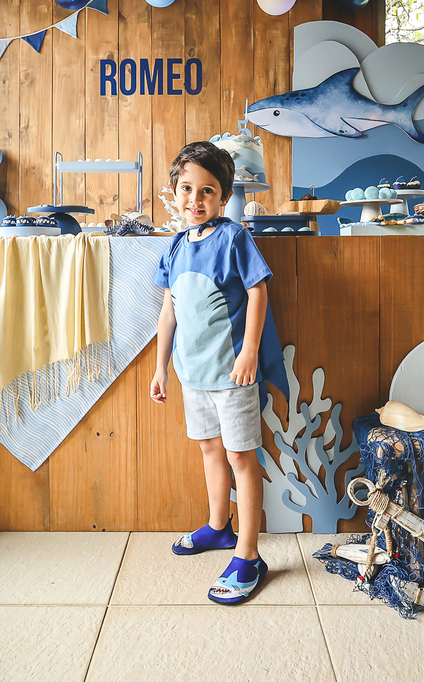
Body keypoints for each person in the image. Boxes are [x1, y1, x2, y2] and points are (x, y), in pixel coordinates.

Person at [150, 140, 288, 605]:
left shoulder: (234, 238)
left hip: (232, 377)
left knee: (241, 457)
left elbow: (258, 292)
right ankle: (218, 526)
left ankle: (248, 555)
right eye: (187, 189)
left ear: (224, 196)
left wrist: (249, 351)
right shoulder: (175, 246)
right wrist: (161, 368)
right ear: (174, 191)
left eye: (207, 190)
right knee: (210, 449)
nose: (195, 199)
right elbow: (168, 312)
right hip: (192, 375)